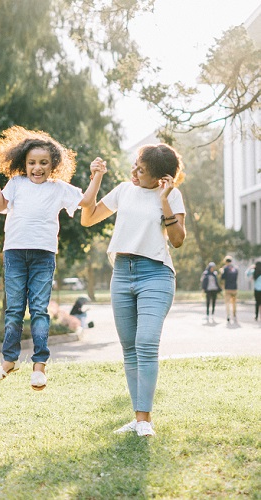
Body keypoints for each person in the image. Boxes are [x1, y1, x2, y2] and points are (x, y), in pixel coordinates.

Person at [0, 126, 106, 391]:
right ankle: (9, 360)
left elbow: (86, 201)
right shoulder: (16, 183)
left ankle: (39, 365)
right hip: (15, 253)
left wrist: (96, 176)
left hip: (43, 255)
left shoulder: (59, 188)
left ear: (54, 165)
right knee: (15, 309)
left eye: (43, 163)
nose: (37, 168)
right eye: (31, 163)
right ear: (23, 164)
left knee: (39, 309)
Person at [81, 143, 186, 437]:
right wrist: (96, 178)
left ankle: (144, 420)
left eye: (142, 170)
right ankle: (138, 418)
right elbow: (87, 219)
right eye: (136, 166)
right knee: (130, 349)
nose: (135, 172)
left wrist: (164, 200)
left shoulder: (172, 195)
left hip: (156, 273)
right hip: (122, 273)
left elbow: (177, 240)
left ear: (162, 178)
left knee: (146, 342)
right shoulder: (124, 190)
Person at [220, 255, 239, 323]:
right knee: (234, 302)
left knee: (227, 302)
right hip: (234, 288)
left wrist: (221, 271)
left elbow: (222, 278)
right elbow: (236, 277)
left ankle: (228, 315)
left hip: (227, 288)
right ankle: (234, 314)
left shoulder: (225, 268)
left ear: (225, 261)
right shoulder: (235, 268)